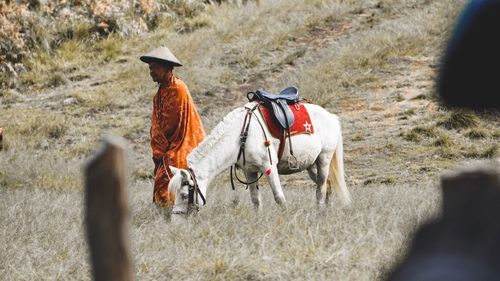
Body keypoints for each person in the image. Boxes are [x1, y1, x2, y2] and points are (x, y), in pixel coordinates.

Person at [140, 46, 206, 208]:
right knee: (163, 181)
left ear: (167, 68)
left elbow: (171, 126)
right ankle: (167, 218)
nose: (152, 71)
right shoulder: (159, 94)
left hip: (182, 144)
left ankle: (175, 216)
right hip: (167, 146)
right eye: (150, 68)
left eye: (155, 68)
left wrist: (160, 145)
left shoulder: (178, 89)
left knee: (168, 180)